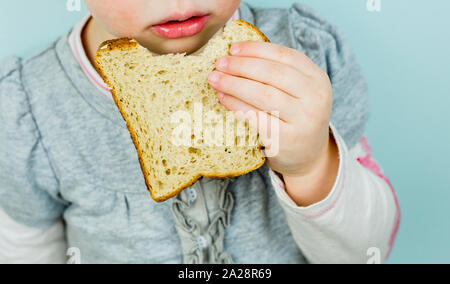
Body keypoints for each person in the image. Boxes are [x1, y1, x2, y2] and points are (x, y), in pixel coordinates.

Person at [0, 0, 400, 264]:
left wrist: (313, 167)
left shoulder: (304, 55)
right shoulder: (30, 106)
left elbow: (368, 252)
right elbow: (26, 251)